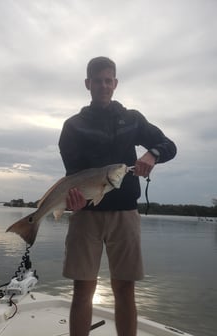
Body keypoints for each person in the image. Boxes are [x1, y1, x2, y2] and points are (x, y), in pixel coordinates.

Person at [58, 56, 177, 336]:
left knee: (124, 288)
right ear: (88, 84)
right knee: (82, 289)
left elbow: (169, 145)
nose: (103, 86)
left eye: (108, 80)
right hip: (85, 214)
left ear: (115, 83)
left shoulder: (132, 119)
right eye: (97, 81)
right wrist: (73, 201)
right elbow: (73, 173)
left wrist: (152, 154)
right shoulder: (72, 126)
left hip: (125, 213)